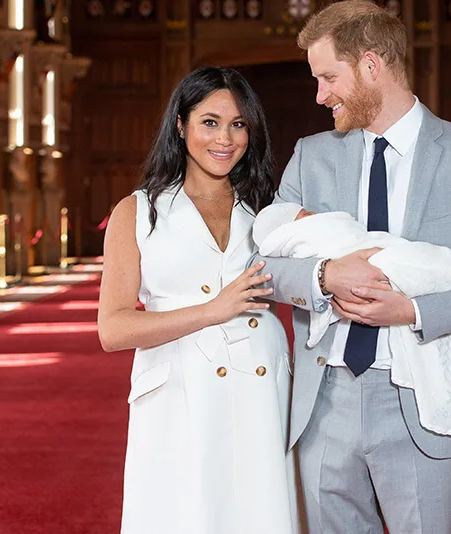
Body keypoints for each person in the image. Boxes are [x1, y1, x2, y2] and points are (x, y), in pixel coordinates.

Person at [250, 1, 451, 533]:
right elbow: (260, 262)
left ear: (371, 65)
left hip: (424, 396)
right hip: (325, 399)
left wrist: (413, 309)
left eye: (328, 77)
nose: (320, 95)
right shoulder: (311, 155)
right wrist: (322, 277)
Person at [97, 67, 302, 534]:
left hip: (262, 381)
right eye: (209, 122)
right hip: (177, 388)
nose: (225, 138)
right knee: (184, 511)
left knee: (262, 508)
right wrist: (212, 311)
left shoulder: (269, 208)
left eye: (238, 124)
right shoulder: (139, 211)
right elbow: (113, 329)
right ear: (180, 124)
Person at [253, 202, 451, 436]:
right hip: (328, 387)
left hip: (403, 378)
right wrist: (326, 276)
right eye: (306, 215)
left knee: (406, 260)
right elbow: (260, 268)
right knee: (398, 265)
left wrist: (413, 311)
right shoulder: (304, 174)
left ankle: (444, 269)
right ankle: (443, 269)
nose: (314, 215)